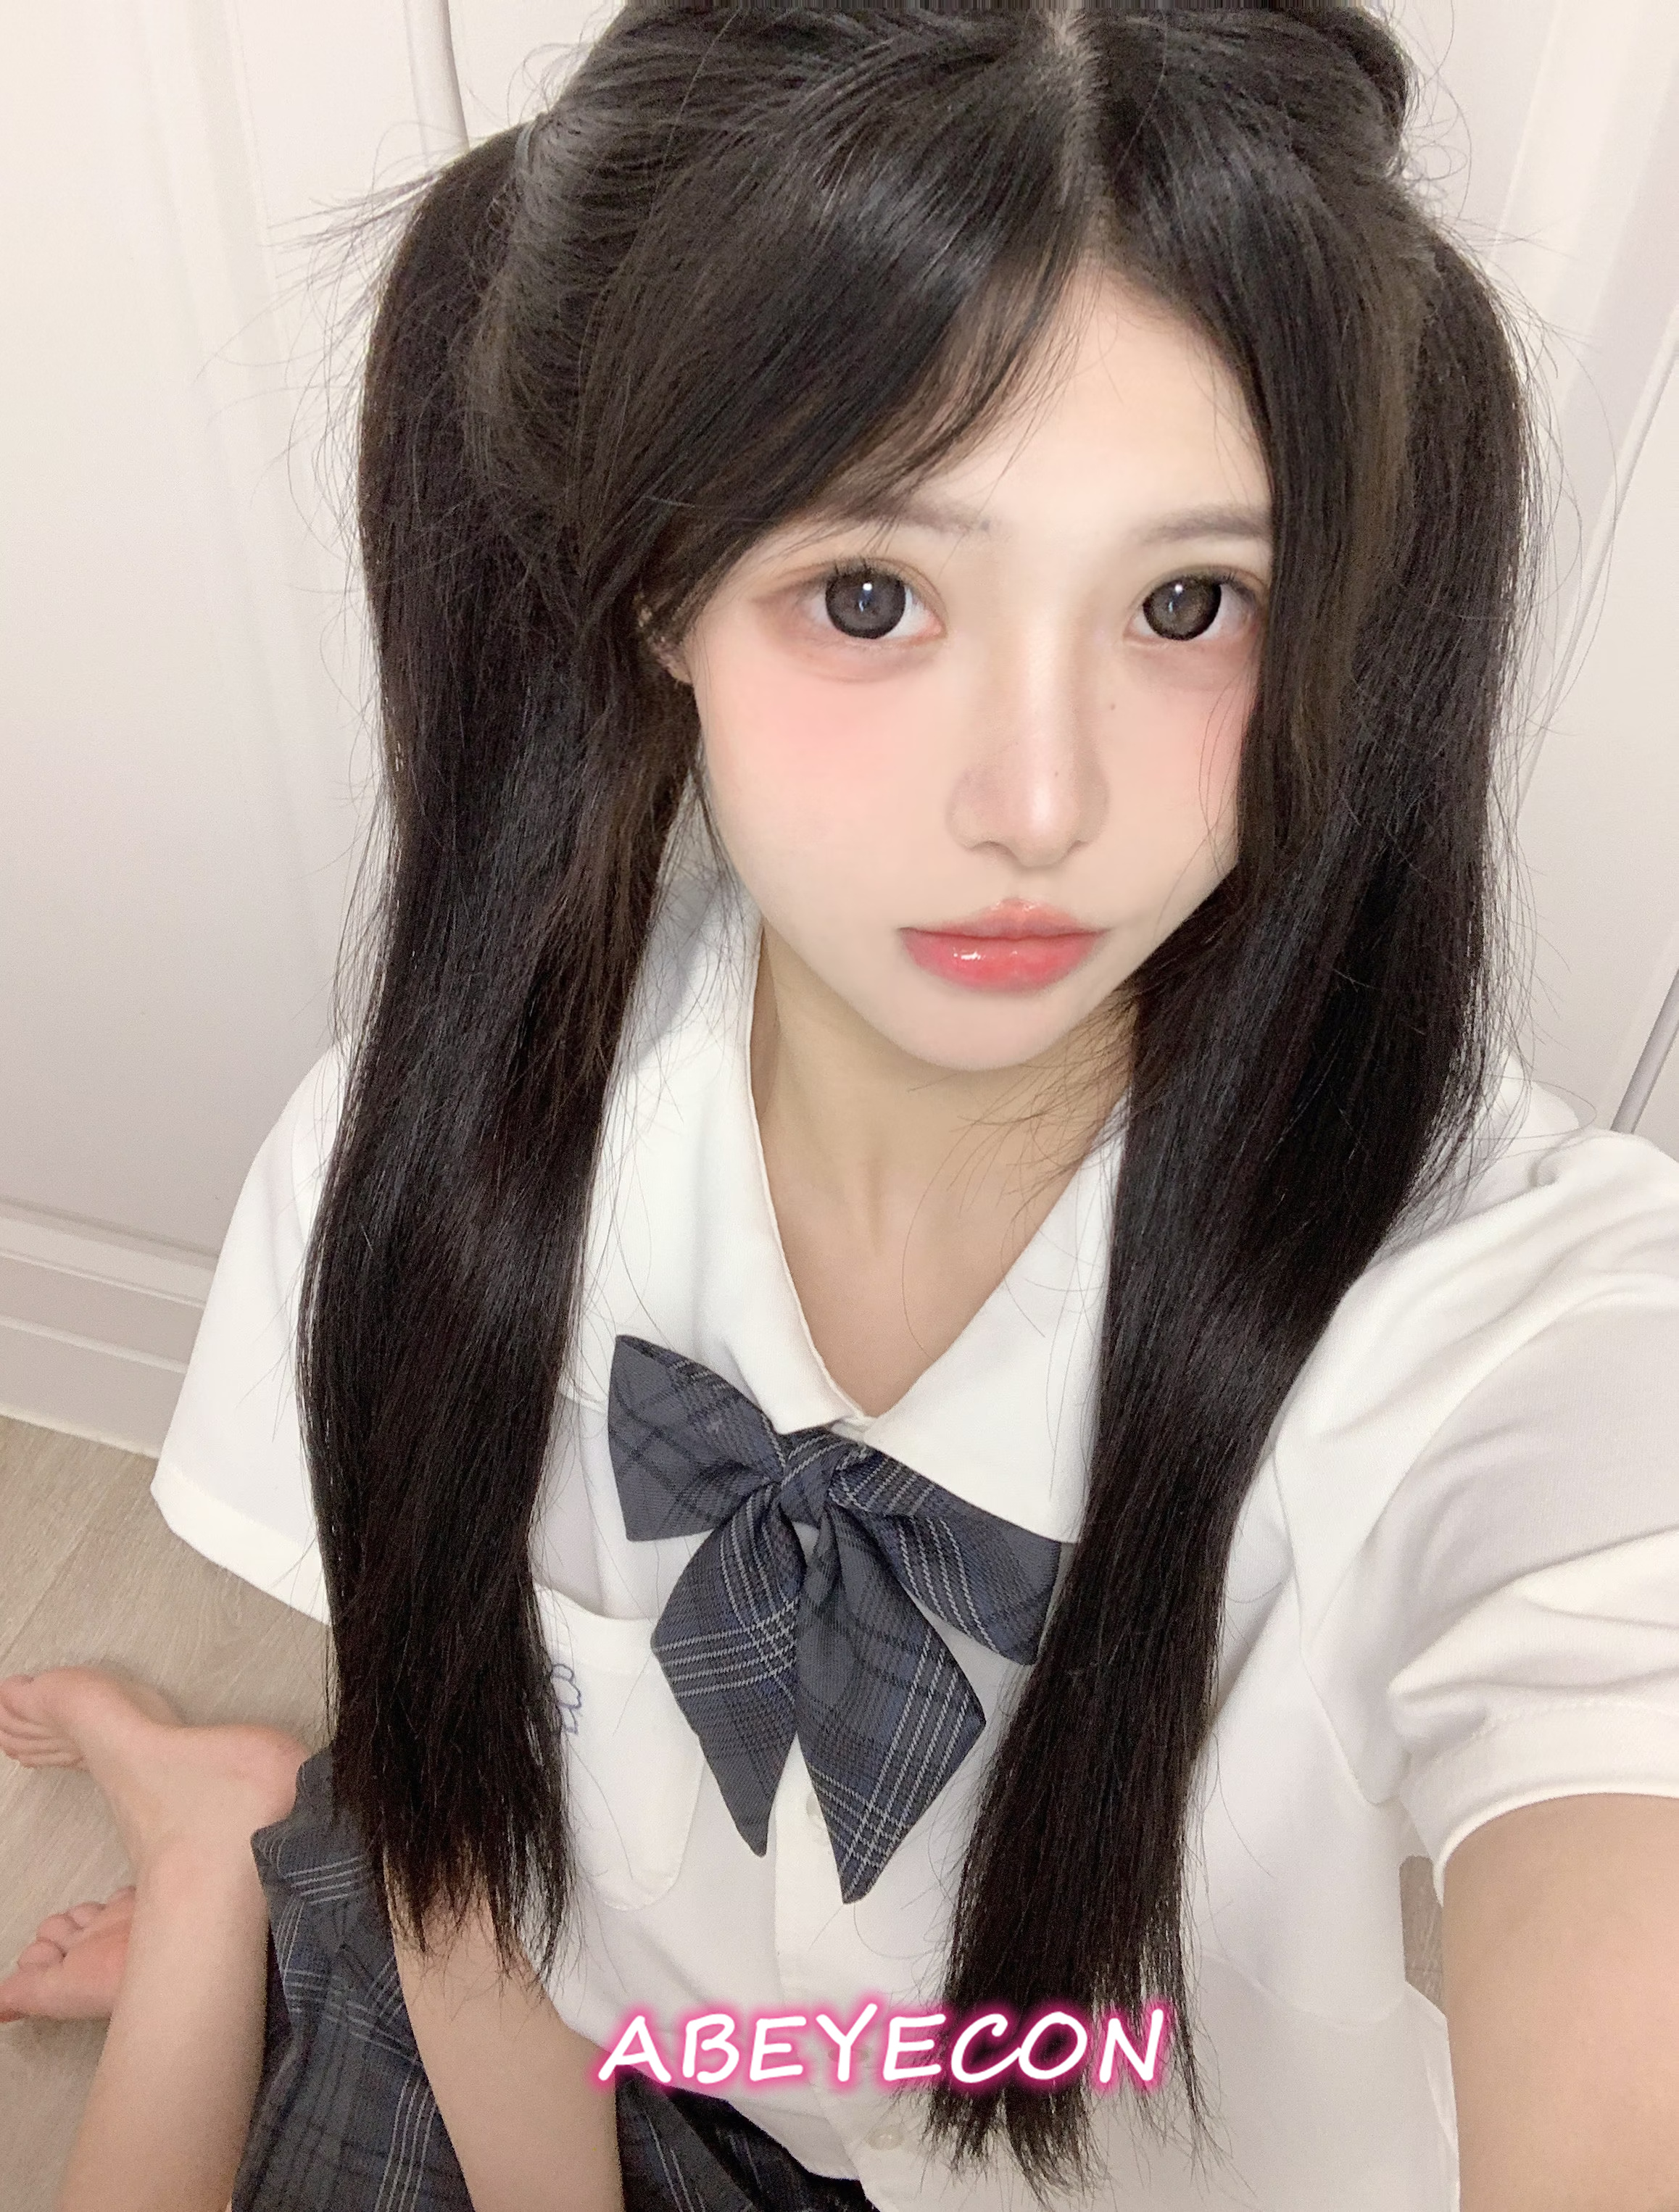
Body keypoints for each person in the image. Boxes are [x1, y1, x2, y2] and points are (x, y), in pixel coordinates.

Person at [6, 3, 1679, 2208]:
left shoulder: (1513, 1312)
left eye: (1191, 601)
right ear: (657, 594)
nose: (1041, 803)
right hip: (620, 2059)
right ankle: (227, 1846)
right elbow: (471, 1862)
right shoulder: (423, 1168)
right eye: (871, 594)